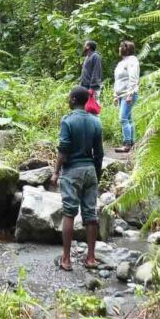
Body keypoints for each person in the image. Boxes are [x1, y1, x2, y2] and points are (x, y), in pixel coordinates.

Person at [50, 86, 104, 272]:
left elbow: (63, 148)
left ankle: (66, 259)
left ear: (73, 100)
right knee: (90, 214)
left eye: (69, 97)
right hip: (89, 170)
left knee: (69, 213)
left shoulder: (68, 121)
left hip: (72, 170)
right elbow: (99, 153)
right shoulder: (96, 122)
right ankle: (90, 257)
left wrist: (56, 172)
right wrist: (96, 172)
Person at [113, 40, 140, 153]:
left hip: (128, 94)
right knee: (128, 119)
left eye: (121, 47)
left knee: (123, 118)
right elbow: (118, 80)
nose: (119, 49)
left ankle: (127, 144)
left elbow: (133, 78)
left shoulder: (132, 61)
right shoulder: (121, 63)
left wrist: (130, 94)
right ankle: (132, 142)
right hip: (121, 95)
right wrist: (115, 94)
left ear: (126, 48)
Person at [79, 40, 102, 113]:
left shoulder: (95, 56)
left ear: (88, 47)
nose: (83, 46)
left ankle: (96, 124)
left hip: (92, 88)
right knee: (86, 109)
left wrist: (92, 88)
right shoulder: (87, 57)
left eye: (85, 45)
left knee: (94, 109)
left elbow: (96, 72)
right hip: (85, 87)